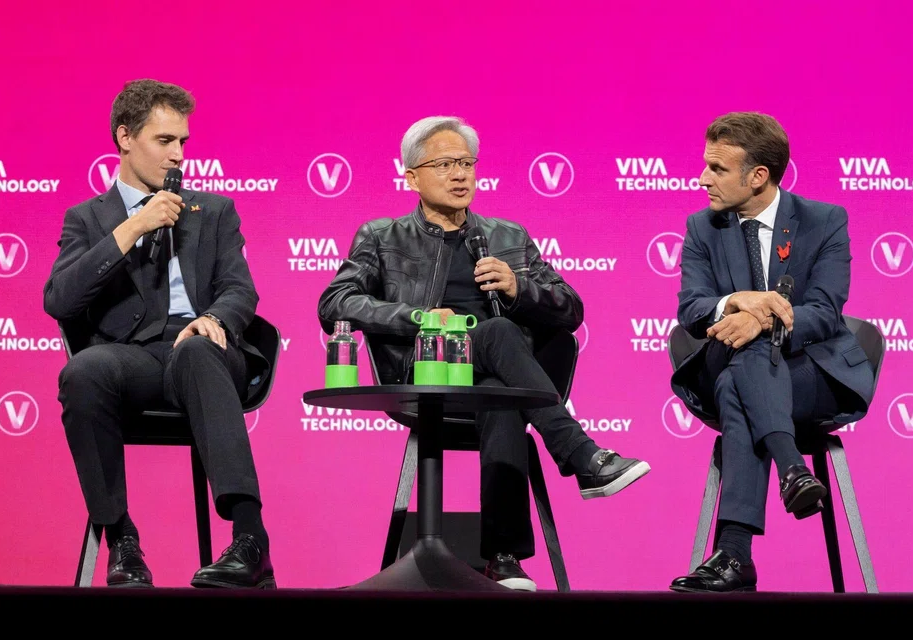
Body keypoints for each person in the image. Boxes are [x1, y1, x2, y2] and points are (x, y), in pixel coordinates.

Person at [318, 116, 650, 592]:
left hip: (499, 376)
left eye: (467, 163)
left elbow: (572, 309)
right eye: (445, 164)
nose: (460, 175)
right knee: (497, 335)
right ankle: (581, 455)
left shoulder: (508, 236)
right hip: (426, 372)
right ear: (411, 177)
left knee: (501, 393)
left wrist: (519, 288)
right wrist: (419, 317)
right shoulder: (381, 236)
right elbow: (335, 302)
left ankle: (503, 559)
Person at [44, 79, 275, 589]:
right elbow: (59, 300)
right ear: (125, 137)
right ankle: (122, 540)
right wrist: (132, 228)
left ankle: (250, 539)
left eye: (183, 142)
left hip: (207, 351)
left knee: (196, 352)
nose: (178, 155)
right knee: (84, 370)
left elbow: (239, 289)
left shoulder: (214, 210)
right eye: (164, 140)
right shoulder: (88, 218)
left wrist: (215, 320)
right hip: (133, 359)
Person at [668, 112, 875, 593]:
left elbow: (824, 311)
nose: (702, 179)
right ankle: (792, 468)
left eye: (717, 169)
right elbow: (692, 308)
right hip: (731, 362)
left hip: (809, 373)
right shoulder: (702, 227)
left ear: (758, 175)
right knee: (743, 364)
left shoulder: (824, 221)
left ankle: (734, 555)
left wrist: (760, 319)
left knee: (739, 380)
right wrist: (735, 302)